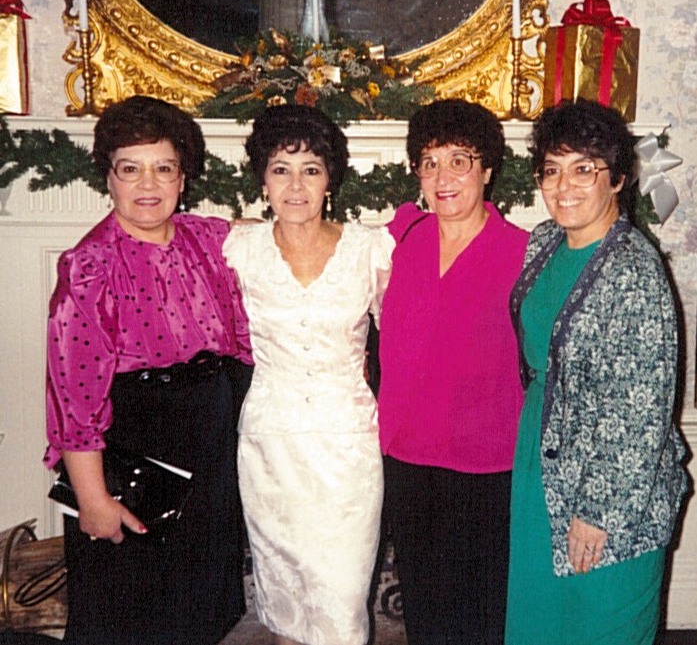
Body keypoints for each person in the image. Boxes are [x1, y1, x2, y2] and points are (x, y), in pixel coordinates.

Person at [43, 95, 253, 645]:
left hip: (209, 455)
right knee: (127, 616)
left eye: (164, 168)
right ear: (108, 177)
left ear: (183, 177)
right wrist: (93, 499)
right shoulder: (90, 267)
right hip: (132, 460)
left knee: (198, 615)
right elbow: (73, 395)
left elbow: (280, 237)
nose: (148, 184)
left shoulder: (207, 239)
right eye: (130, 169)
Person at [505, 99, 689, 644]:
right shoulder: (543, 242)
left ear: (618, 179)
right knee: (540, 621)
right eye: (552, 170)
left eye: (583, 169)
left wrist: (599, 510)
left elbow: (642, 410)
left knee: (601, 622)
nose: (564, 186)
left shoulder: (636, 271)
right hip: (540, 462)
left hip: (611, 485)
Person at [222, 104, 394, 645]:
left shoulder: (370, 249)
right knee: (286, 602)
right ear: (263, 181)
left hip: (348, 449)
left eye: (311, 170)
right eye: (281, 169)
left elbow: (408, 338)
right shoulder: (236, 248)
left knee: (341, 603)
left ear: (329, 181)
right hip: (270, 447)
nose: (296, 186)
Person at [377, 99, 529, 644]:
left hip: (486, 466)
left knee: (481, 615)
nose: (443, 178)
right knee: (424, 611)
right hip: (407, 459)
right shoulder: (402, 237)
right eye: (430, 162)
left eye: (459, 161)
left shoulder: (522, 253)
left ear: (487, 169)